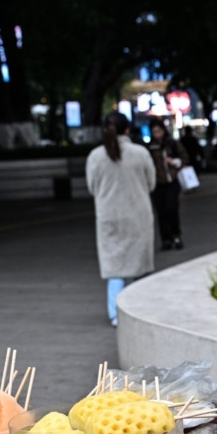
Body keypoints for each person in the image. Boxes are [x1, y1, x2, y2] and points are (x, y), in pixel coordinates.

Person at [85, 112, 156, 328]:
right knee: (139, 266)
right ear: (127, 129)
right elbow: (151, 183)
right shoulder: (140, 153)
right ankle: (139, 309)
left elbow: (91, 187)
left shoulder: (95, 156)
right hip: (138, 215)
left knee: (115, 269)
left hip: (109, 217)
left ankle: (115, 315)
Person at [146, 118, 189, 251]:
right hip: (157, 183)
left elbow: (185, 158)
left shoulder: (172, 143)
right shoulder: (150, 147)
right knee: (161, 212)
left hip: (172, 181)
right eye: (154, 132)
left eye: (159, 131)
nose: (157, 134)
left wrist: (174, 162)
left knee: (172, 209)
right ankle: (166, 239)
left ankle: (176, 236)